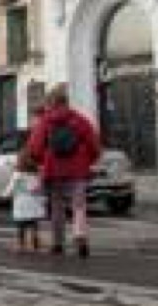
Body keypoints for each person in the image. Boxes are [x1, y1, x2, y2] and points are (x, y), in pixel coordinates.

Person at [24, 83, 101, 258]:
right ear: (66, 102)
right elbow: (94, 145)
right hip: (78, 170)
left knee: (57, 208)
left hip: (53, 171)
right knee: (79, 206)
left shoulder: (45, 122)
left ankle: (57, 244)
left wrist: (40, 162)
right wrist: (87, 161)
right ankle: (81, 238)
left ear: (50, 103)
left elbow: (34, 148)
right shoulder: (80, 120)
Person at [0, 149, 45, 251]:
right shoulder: (36, 174)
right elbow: (39, 188)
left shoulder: (17, 175)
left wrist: (3, 195)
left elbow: (11, 188)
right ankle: (35, 240)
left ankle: (20, 244)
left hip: (21, 203)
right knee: (33, 223)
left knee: (20, 225)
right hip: (34, 203)